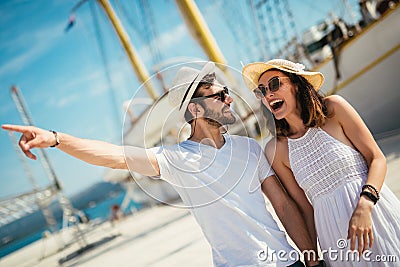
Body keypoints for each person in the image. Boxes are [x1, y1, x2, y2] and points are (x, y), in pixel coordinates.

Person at [2, 62, 324, 267]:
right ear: (196, 111)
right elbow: (114, 155)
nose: (230, 98)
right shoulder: (176, 158)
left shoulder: (250, 149)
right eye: (219, 95)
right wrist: (57, 138)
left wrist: (312, 260)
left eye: (226, 92)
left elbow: (282, 206)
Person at [242, 58, 400, 266]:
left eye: (274, 84)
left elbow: (376, 158)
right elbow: (305, 208)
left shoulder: (334, 109)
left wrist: (365, 206)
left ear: (296, 85)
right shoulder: (276, 149)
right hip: (334, 238)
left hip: (374, 214)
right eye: (261, 91)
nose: (268, 94)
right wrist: (312, 258)